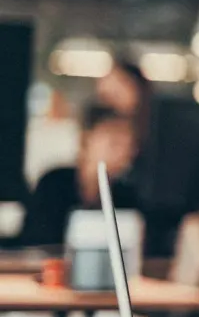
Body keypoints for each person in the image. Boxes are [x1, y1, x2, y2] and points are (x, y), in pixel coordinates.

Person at [20, 104, 139, 247]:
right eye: (114, 143)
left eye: (129, 146)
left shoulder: (126, 196)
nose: (124, 153)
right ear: (86, 139)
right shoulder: (54, 184)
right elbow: (37, 242)